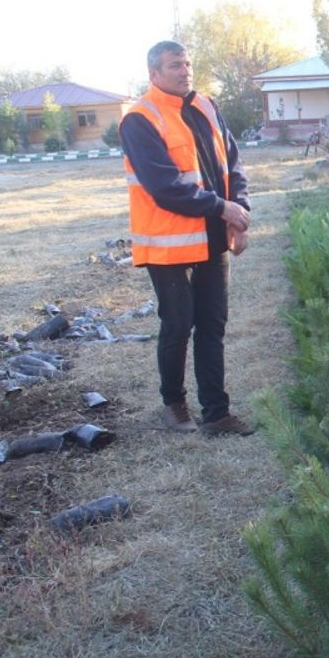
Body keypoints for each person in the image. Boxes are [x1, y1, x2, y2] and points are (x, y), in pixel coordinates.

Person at [119, 40, 255, 436]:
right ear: (154, 74)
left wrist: (238, 215)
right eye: (175, 65)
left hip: (212, 237)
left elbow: (233, 165)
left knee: (213, 325)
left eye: (188, 63)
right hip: (168, 245)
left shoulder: (207, 106)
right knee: (178, 325)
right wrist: (222, 209)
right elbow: (165, 185)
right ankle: (173, 405)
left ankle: (216, 413)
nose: (185, 71)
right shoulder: (139, 119)